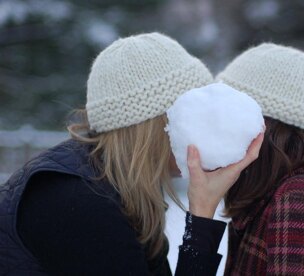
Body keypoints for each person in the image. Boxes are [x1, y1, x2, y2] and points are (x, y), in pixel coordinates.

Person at [0, 33, 264, 275]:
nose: (205, 132)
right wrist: (201, 216)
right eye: (196, 117)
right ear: (157, 125)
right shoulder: (77, 202)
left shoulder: (120, 188)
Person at [217, 44, 304, 275]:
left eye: (231, 111)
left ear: (265, 124)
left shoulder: (300, 200)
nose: (220, 122)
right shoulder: (279, 192)